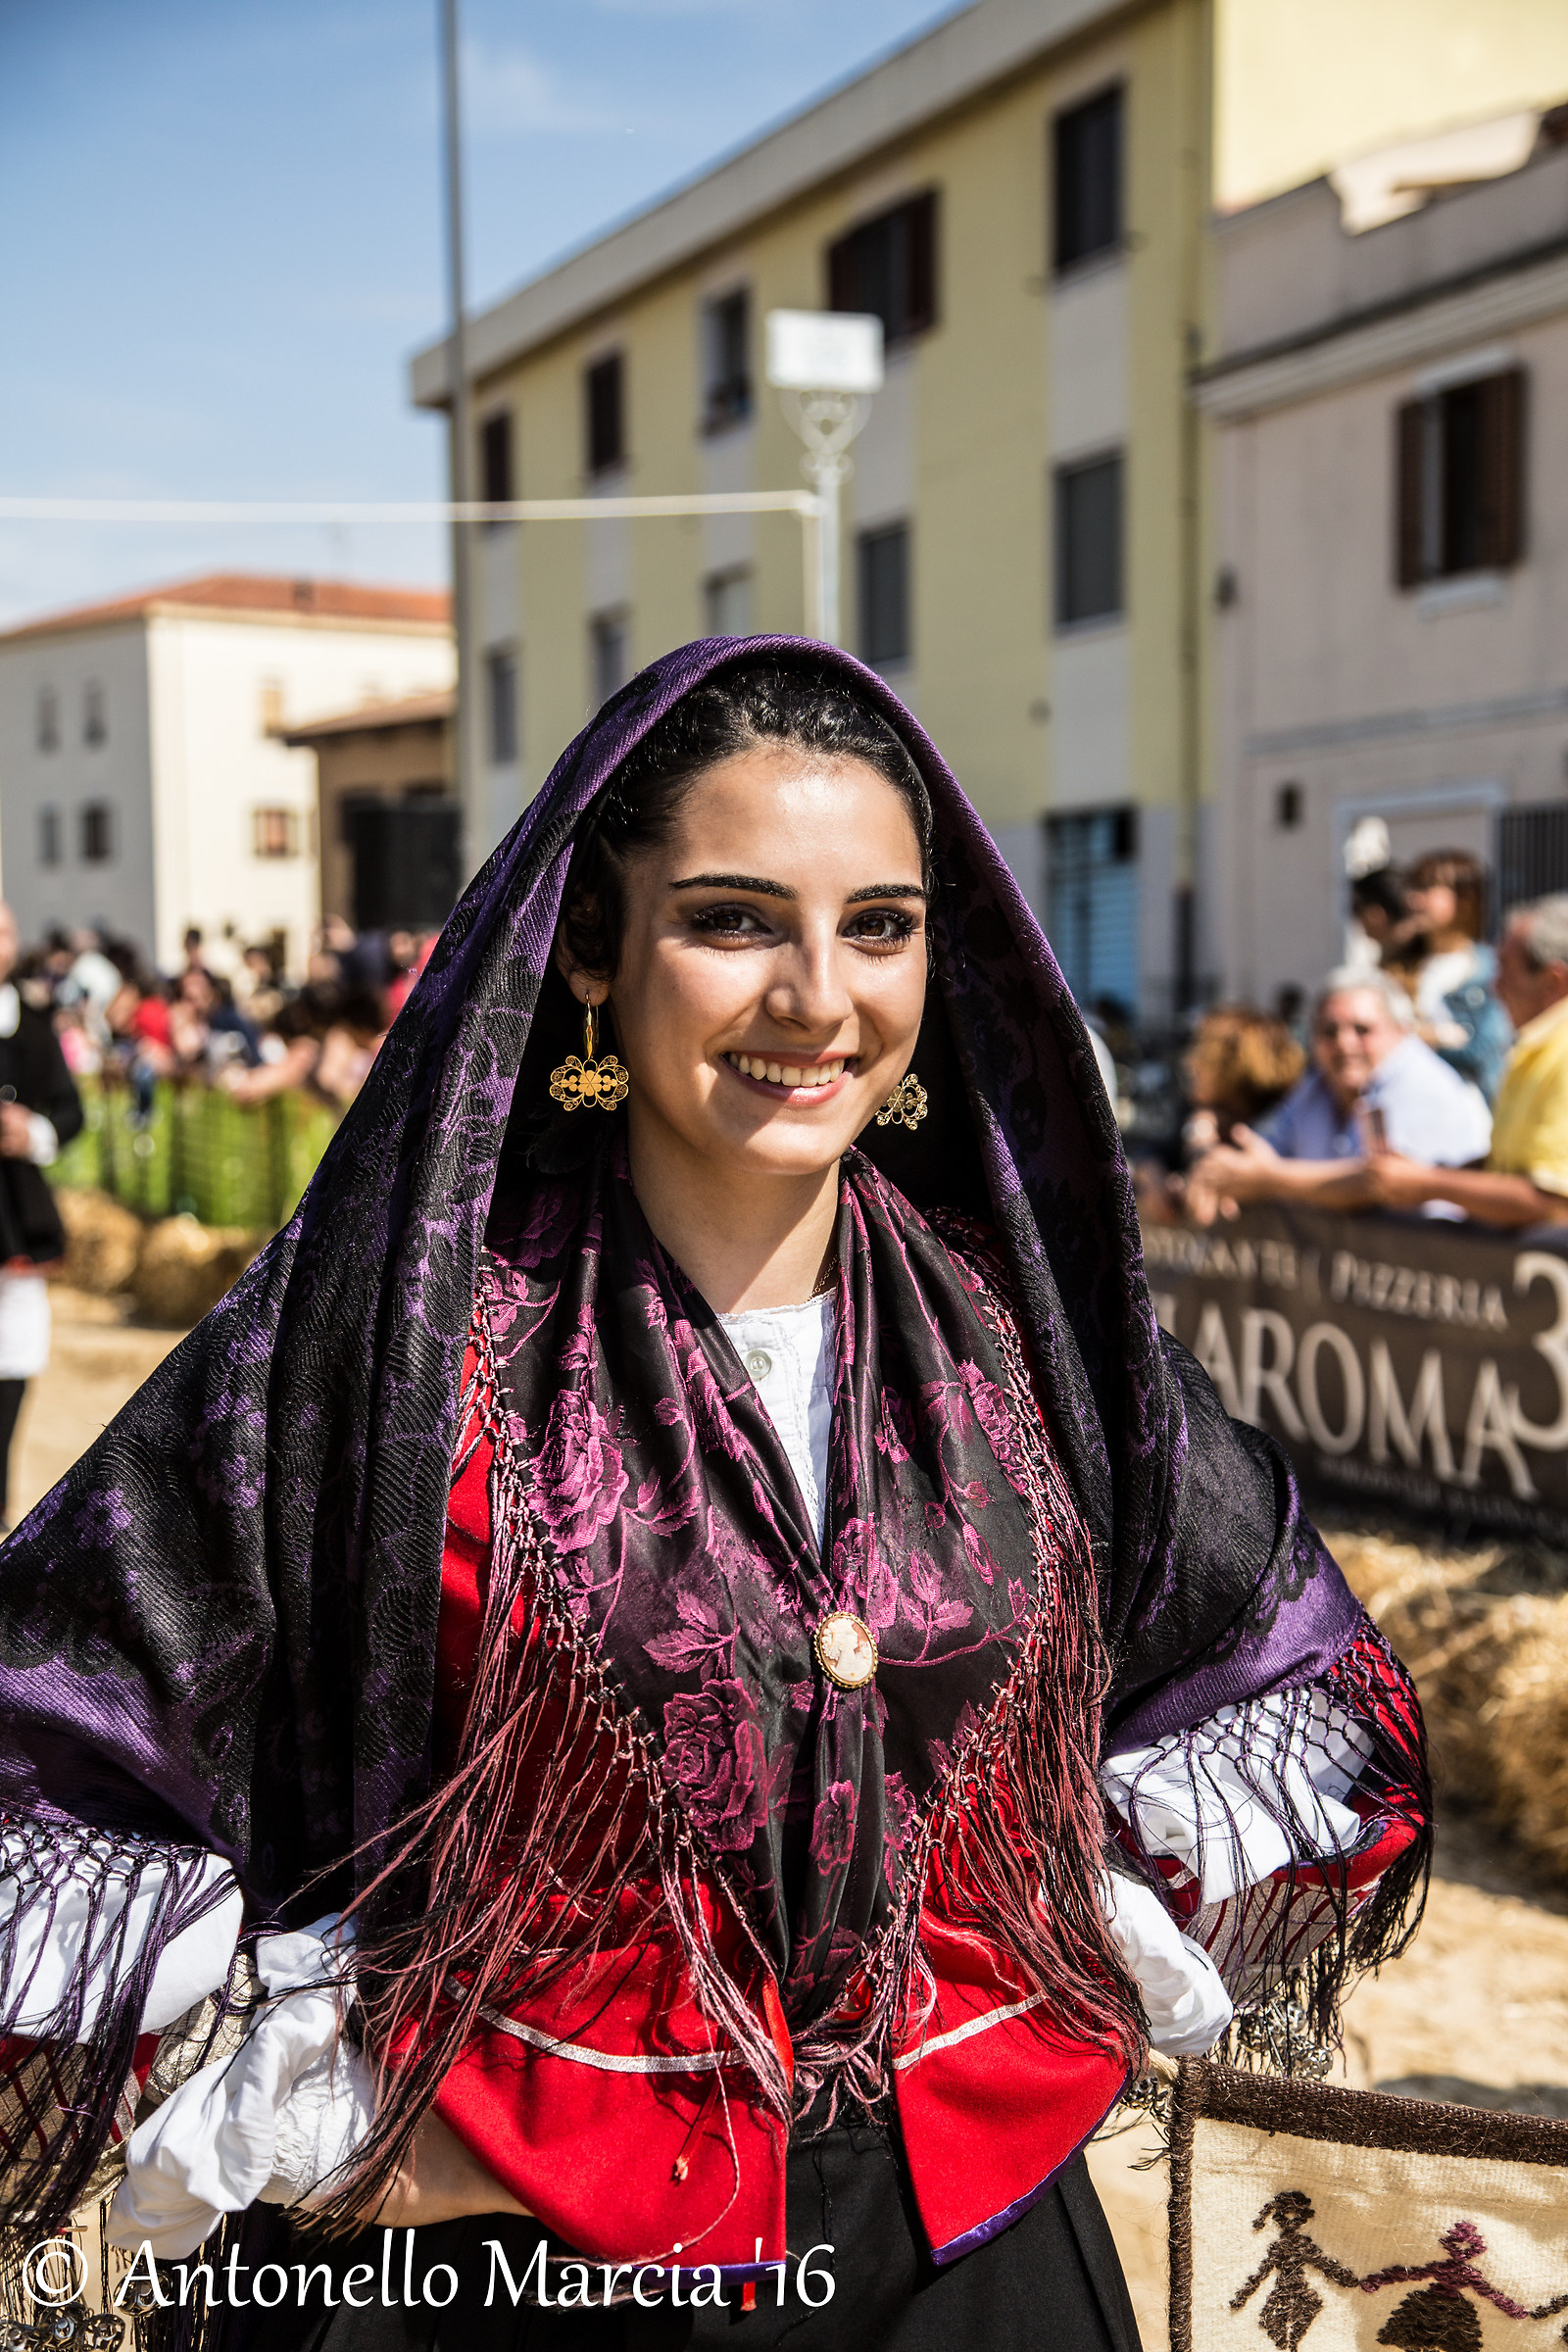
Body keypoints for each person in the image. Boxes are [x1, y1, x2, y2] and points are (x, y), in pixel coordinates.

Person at [0, 648, 1428, 2349]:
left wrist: (1053, 1936)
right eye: (738, 919)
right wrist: (354, 2115)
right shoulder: (390, 1353)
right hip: (518, 2278)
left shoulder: (1026, 1331)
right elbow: (56, 1745)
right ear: (593, 948)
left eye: (881, 926)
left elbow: (1278, 1669)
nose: (822, 997)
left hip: (973, 2263)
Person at [1185, 968, 1490, 1223]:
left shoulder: (1421, 1081)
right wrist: (1210, 1146)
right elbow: (1258, 1149)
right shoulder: (1317, 1084)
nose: (1344, 1043)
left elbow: (1378, 1183)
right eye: (1329, 1031)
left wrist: (1270, 1179)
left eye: (1362, 1029)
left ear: (1401, 1030)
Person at [1363, 895, 1568, 1226]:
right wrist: (1427, 1176)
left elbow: (1553, 1203)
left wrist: (1427, 1184)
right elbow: (1510, 1168)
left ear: (1554, 980)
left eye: (1504, 970)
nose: (1495, 986)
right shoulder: (1538, 1046)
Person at [0, 902, 82, 1529]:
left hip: (13, 1216)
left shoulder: (30, 1023)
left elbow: (69, 1111)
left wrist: (30, 1131)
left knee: (15, 1353)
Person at [1396, 850, 1511, 1104]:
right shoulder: (1395, 970)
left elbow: (1486, 1050)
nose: (1414, 899)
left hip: (1473, 1115)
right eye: (1413, 888)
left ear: (1466, 899)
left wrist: (1419, 1036)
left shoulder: (1491, 969)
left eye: (1428, 888)